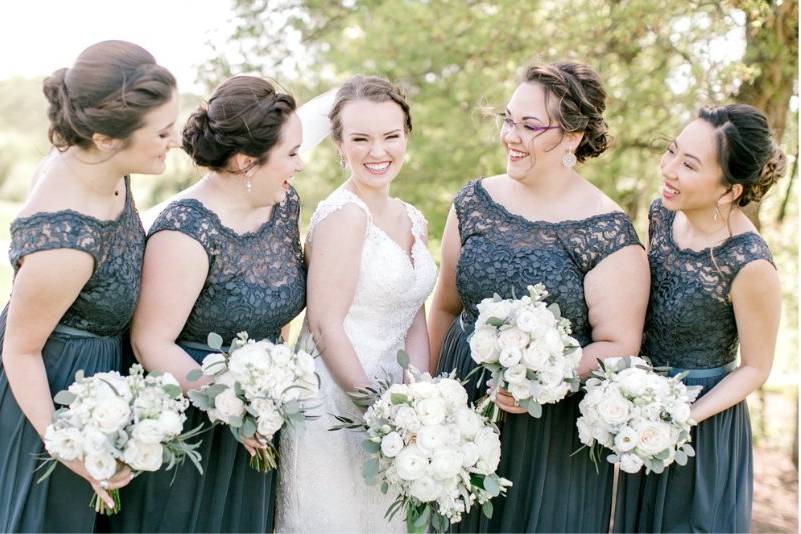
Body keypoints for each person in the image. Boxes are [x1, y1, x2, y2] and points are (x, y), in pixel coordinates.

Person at [427, 61, 650, 532]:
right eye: (509, 119)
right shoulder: (473, 203)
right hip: (458, 405)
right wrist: (428, 401)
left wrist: (540, 377)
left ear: (572, 136)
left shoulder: (608, 234)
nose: (511, 135)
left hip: (546, 431)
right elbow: (445, 306)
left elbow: (618, 344)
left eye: (531, 126)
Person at [109, 75, 306, 532]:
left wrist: (270, 390)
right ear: (245, 161)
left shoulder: (283, 205)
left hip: (258, 423)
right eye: (291, 153)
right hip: (191, 427)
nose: (299, 164)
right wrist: (231, 402)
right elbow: (150, 342)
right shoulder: (186, 231)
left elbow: (277, 308)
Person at [0, 40, 178, 532]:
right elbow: (20, 351)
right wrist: (70, 446)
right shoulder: (67, 240)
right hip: (53, 399)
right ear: (105, 137)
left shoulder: (107, 167)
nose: (175, 139)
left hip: (103, 380)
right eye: (162, 132)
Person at [276, 75, 437, 533]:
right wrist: (379, 411)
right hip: (336, 402)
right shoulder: (342, 216)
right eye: (360, 139)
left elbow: (414, 317)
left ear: (406, 137)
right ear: (339, 147)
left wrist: (420, 399)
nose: (377, 151)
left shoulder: (413, 218)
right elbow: (325, 326)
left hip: (395, 402)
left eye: (390, 136)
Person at [614, 103, 784, 533]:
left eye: (688, 164)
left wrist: (683, 418)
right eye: (670, 152)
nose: (668, 169)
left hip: (703, 424)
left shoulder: (749, 263)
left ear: (730, 191)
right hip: (643, 408)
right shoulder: (661, 214)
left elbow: (756, 368)